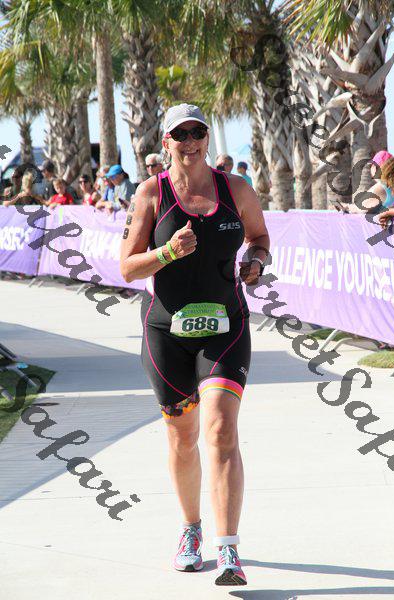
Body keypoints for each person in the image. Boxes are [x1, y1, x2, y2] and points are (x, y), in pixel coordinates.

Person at [120, 102, 269, 586]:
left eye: (197, 132)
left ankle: (228, 550)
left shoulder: (236, 190)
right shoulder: (152, 193)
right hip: (166, 333)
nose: (189, 142)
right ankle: (190, 529)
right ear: (166, 142)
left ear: (207, 138)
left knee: (221, 431)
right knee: (183, 438)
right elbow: (127, 267)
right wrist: (167, 252)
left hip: (226, 327)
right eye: (179, 134)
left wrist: (256, 261)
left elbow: (260, 237)